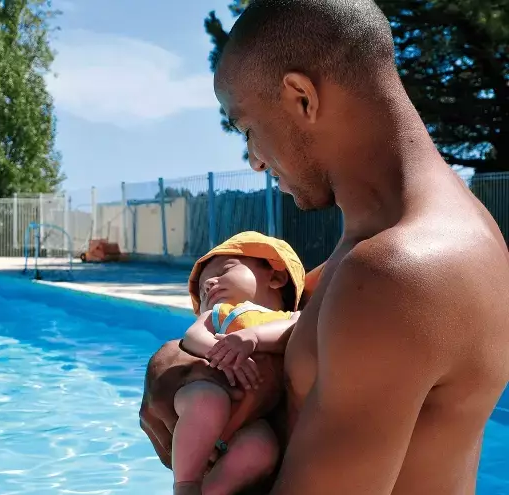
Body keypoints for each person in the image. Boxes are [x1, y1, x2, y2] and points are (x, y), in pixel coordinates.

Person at [140, 1, 509, 494]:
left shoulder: (401, 270)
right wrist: (170, 364)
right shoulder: (379, 250)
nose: (254, 160)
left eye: (248, 129)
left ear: (302, 98)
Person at [171, 231, 306, 495]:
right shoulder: (220, 313)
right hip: (209, 392)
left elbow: (294, 332)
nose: (209, 283)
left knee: (262, 448)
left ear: (276, 277)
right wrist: (219, 352)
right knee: (208, 401)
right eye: (203, 287)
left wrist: (253, 337)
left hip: (253, 419)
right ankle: (186, 485)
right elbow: (193, 336)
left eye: (225, 270)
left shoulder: (292, 317)